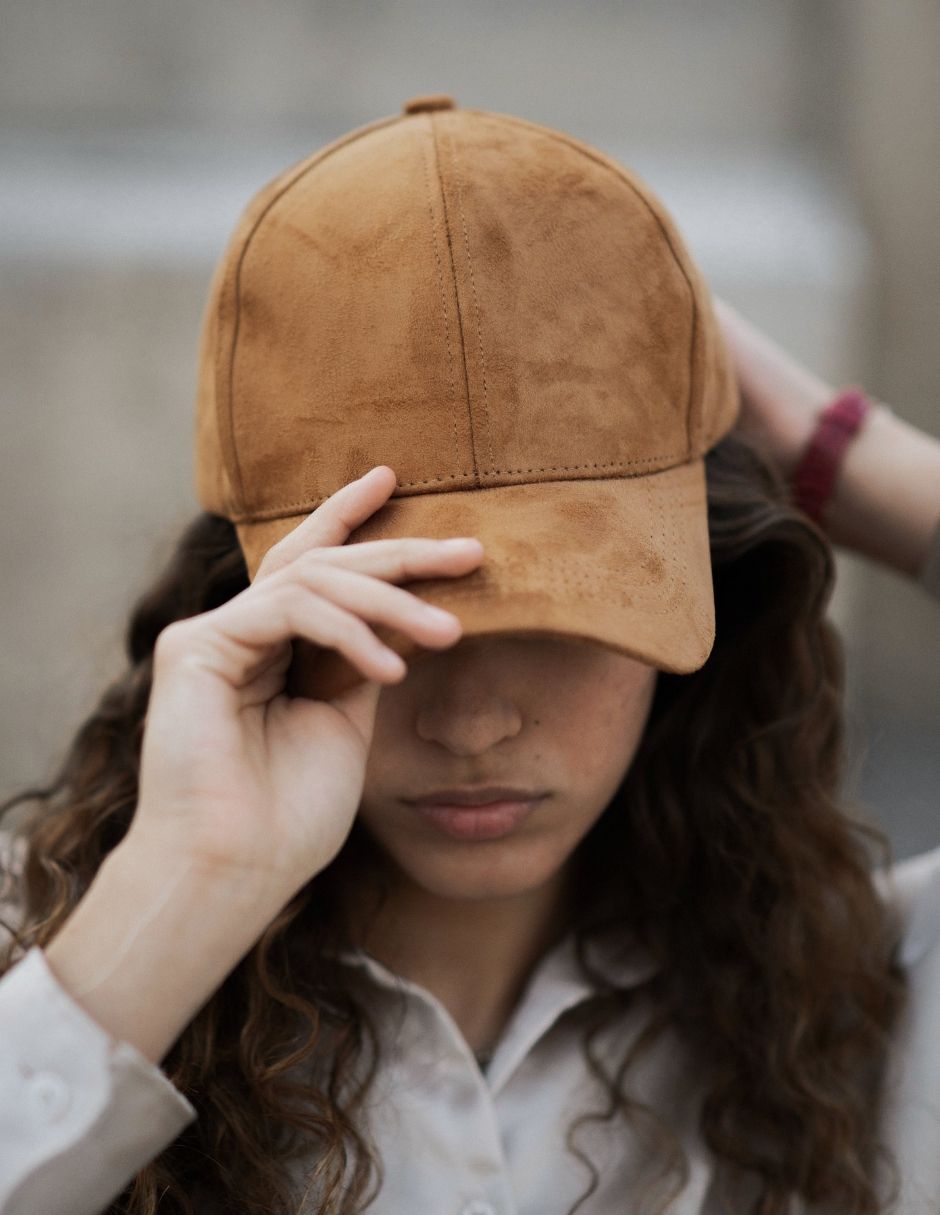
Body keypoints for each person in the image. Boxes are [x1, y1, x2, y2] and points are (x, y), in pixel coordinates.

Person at [1, 97, 940, 1215]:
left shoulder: (864, 997)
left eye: (563, 615)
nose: (472, 721)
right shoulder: (58, 968)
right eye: (387, 615)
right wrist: (185, 889)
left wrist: (827, 450)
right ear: (251, 609)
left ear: (710, 596)